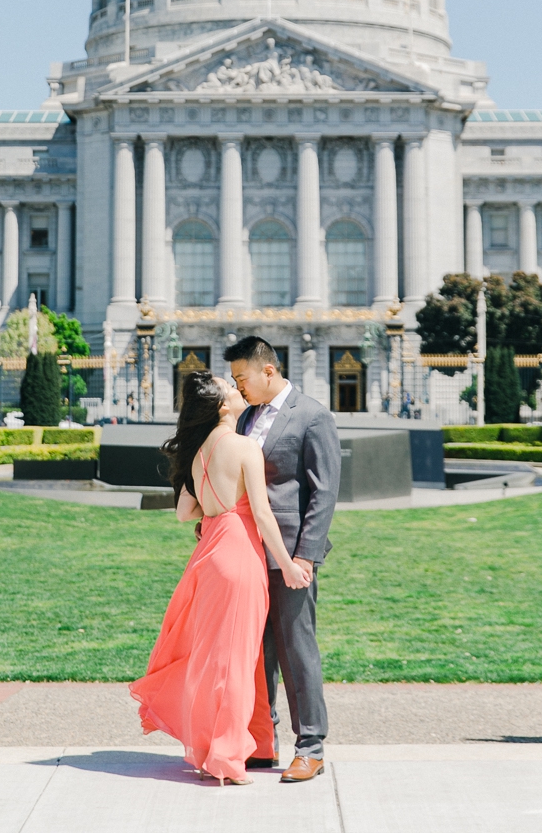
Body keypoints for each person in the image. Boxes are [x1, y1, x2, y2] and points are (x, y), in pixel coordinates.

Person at [129, 369, 311, 787]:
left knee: (214, 657)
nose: (238, 389)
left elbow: (184, 513)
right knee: (236, 661)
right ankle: (227, 757)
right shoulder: (244, 446)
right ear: (222, 406)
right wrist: (287, 563)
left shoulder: (197, 454)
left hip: (208, 554)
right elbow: (263, 516)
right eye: (231, 389)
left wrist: (217, 507)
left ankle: (221, 747)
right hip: (238, 555)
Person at [226, 335, 342, 784]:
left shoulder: (312, 416)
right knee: (256, 652)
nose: (238, 387)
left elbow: (324, 492)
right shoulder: (247, 417)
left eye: (242, 378)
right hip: (248, 554)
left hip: (291, 556)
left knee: (296, 651)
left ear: (268, 371)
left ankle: (310, 747)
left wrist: (306, 556)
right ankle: (262, 740)